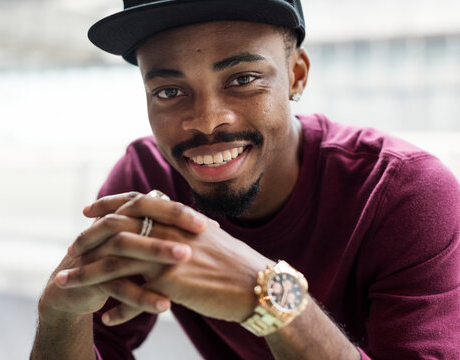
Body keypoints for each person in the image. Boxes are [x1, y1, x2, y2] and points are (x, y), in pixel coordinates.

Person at [30, 1, 460, 359]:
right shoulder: (150, 179)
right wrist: (61, 317)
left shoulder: (406, 193)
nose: (206, 121)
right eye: (168, 91)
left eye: (242, 79)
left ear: (296, 75)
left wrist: (271, 297)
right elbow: (95, 341)